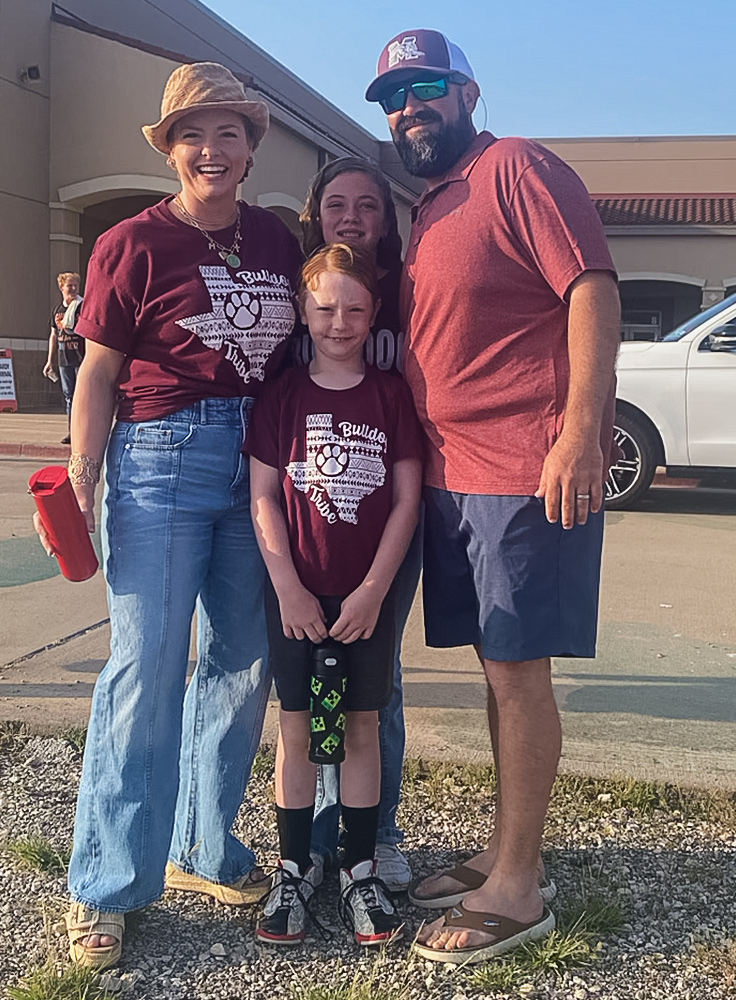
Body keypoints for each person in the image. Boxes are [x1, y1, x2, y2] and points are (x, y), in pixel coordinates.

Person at [34, 62, 304, 968]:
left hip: (256, 466)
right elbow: (99, 372)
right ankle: (104, 886)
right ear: (171, 149)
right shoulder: (132, 243)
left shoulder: (274, 240)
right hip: (161, 459)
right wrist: (84, 476)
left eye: (228, 132)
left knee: (242, 661)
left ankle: (202, 846)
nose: (211, 149)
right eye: (193, 134)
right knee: (145, 666)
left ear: (250, 146)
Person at [365, 30, 621, 963]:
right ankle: (510, 853)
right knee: (492, 667)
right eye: (392, 98)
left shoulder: (518, 166)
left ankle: (519, 888)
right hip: (453, 473)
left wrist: (583, 432)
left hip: (523, 469)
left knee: (519, 673)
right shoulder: (431, 202)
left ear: (467, 91)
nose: (408, 110)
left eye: (425, 89)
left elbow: (591, 288)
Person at [246, 243, 421, 946]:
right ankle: (293, 868)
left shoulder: (389, 394)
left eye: (353, 309)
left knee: (359, 728)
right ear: (302, 310)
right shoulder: (283, 395)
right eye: (325, 307)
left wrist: (376, 590)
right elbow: (262, 495)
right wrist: (287, 585)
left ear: (372, 313)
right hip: (297, 595)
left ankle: (358, 870)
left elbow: (407, 502)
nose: (339, 321)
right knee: (296, 729)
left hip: (364, 600)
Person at [297, 159, 417, 893]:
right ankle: (312, 842)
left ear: (386, 220)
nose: (351, 217)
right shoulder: (301, 289)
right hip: (311, 509)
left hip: (389, 501)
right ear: (315, 214)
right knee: (307, 687)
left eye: (367, 206)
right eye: (336, 204)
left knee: (380, 682)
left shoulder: (408, 294)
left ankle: (378, 833)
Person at [43, 272, 85, 444]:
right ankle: (71, 432)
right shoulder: (57, 310)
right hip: (64, 360)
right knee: (69, 397)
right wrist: (49, 361)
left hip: (81, 359)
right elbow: (54, 336)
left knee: (82, 397)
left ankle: (83, 432)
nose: (73, 288)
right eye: (70, 285)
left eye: (76, 285)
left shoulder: (83, 307)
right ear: (62, 288)